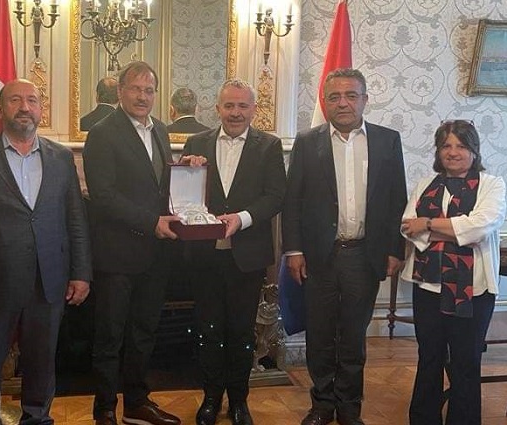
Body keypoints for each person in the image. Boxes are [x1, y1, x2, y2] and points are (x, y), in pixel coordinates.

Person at [0, 79, 92, 425]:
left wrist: (81, 272)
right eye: (15, 100)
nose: (25, 107)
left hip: (49, 281)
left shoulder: (61, 158)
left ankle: (38, 418)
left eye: (32, 100)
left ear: (41, 109)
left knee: (42, 362)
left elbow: (76, 220)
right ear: (0, 109)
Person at [281, 68, 407, 425]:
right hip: (319, 257)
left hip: (364, 255)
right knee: (320, 335)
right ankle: (322, 405)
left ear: (364, 99)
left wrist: (395, 249)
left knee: (353, 336)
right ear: (325, 101)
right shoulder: (308, 141)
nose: (343, 103)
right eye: (334, 97)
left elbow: (397, 198)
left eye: (351, 95)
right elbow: (293, 200)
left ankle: (349, 408)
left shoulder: (387, 141)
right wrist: (294, 251)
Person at [179, 79, 285, 425]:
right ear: (218, 109)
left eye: (242, 106)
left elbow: (275, 196)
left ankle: (239, 401)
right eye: (229, 106)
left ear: (254, 109)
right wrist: (188, 169)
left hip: (247, 257)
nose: (235, 112)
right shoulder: (196, 143)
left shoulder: (269, 146)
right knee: (208, 330)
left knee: (241, 333)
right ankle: (211, 398)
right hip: (205, 257)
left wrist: (241, 219)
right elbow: (182, 195)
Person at [83, 61, 181, 425]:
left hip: (155, 255)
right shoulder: (102, 133)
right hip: (117, 254)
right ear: (121, 92)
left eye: (149, 90)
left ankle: (137, 403)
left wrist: (186, 169)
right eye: (136, 89)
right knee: (110, 336)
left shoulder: (161, 130)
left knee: (144, 332)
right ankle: (105, 408)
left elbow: (158, 186)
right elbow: (103, 196)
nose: (142, 96)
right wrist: (151, 223)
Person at [400, 120, 505, 425]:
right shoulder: (425, 184)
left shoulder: (492, 185)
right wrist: (457, 231)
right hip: (428, 287)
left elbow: (480, 226)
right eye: (446, 145)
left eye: (461, 145)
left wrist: (428, 224)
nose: (453, 152)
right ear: (438, 151)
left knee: (465, 361)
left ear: (474, 150)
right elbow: (407, 227)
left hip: (473, 291)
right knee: (429, 357)